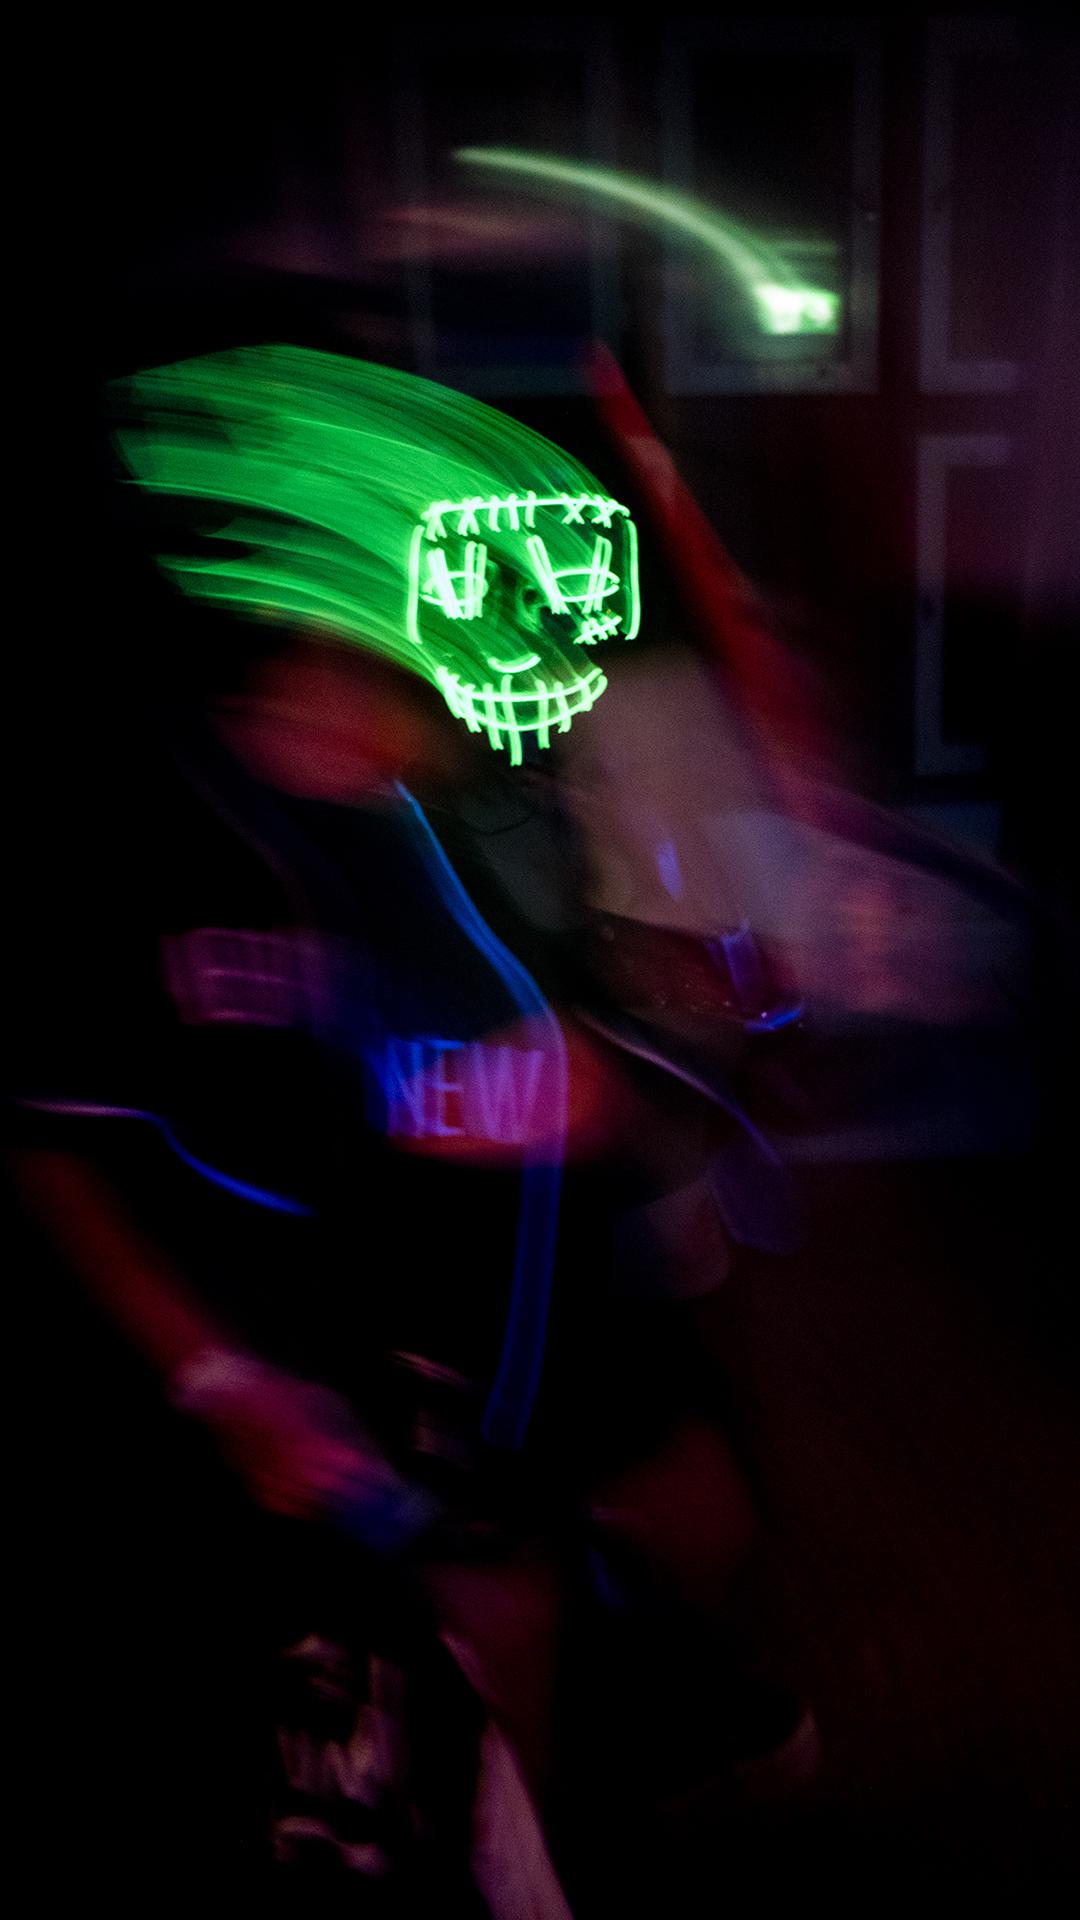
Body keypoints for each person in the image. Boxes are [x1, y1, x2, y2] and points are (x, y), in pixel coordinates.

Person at [9, 343, 817, 1910]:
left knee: (697, 1514)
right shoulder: (139, 823)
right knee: (492, 1628)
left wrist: (663, 1007)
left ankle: (613, 1739)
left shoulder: (467, 772)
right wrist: (221, 1376)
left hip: (545, 1303)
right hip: (323, 1350)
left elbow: (576, 979)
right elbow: (54, 1140)